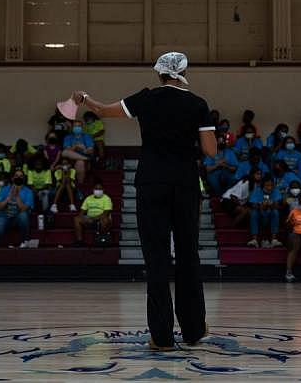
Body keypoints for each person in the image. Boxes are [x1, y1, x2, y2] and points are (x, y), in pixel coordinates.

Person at [71, 51, 216, 350]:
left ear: (159, 73)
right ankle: (192, 330)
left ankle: (161, 338)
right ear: (183, 72)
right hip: (186, 183)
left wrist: (85, 98)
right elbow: (211, 151)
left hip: (151, 182)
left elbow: (104, 111)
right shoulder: (198, 104)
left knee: (156, 257)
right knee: (188, 254)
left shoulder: (146, 98)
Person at [0, 169, 34, 248]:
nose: (19, 178)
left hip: (18, 219)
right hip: (5, 217)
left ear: (24, 178)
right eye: (16, 176)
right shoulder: (4, 189)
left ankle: (24, 242)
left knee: (24, 215)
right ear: (12, 178)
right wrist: (8, 197)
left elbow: (23, 209)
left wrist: (17, 195)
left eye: (21, 176)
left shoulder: (28, 191)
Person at [73, 182, 113, 247]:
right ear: (93, 189)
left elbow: (105, 213)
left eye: (100, 189)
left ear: (103, 190)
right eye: (96, 189)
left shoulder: (107, 198)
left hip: (101, 219)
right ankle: (79, 241)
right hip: (90, 218)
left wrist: (93, 219)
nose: (98, 190)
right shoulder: (88, 198)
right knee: (77, 219)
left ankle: (101, 240)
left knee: (105, 220)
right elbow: (81, 213)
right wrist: (85, 219)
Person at [247, 177, 283, 248]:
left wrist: (271, 204)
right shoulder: (257, 190)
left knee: (275, 212)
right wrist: (261, 205)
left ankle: (274, 240)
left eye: (271, 185)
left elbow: (277, 205)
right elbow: (253, 205)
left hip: (270, 212)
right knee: (254, 213)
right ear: (263, 185)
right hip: (259, 212)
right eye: (267, 185)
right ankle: (254, 240)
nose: (269, 187)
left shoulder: (276, 191)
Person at [62, 120, 95, 185]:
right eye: (75, 126)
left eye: (79, 126)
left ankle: (80, 184)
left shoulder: (87, 136)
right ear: (72, 127)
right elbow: (67, 150)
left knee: (80, 162)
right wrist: (75, 147)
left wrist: (83, 148)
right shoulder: (68, 137)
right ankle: (86, 158)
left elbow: (90, 150)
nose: (77, 128)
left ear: (82, 127)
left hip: (83, 159)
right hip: (71, 159)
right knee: (64, 152)